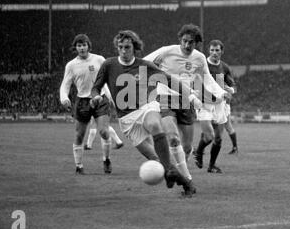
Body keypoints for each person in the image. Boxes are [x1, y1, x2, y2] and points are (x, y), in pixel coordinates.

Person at [90, 30, 202, 197]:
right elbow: (95, 88)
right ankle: (183, 181)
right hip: (127, 120)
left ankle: (181, 178)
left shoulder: (144, 65)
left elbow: (169, 79)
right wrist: (95, 97)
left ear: (134, 47)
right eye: (120, 47)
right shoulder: (109, 65)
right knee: (159, 161)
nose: (123, 51)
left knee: (155, 124)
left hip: (146, 108)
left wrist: (191, 96)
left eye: (127, 47)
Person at [143, 24, 228, 181]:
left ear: (196, 43)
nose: (187, 45)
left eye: (191, 42)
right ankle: (185, 178)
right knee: (173, 138)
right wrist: (154, 70)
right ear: (180, 40)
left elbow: (208, 79)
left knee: (187, 147)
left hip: (186, 100)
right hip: (165, 98)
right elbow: (143, 62)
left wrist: (221, 92)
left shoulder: (199, 57)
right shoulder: (166, 51)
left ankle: (179, 168)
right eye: (184, 41)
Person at [59, 34, 113, 175]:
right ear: (75, 47)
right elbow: (65, 85)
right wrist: (64, 98)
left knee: (104, 131)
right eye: (79, 45)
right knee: (79, 136)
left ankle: (106, 159)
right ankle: (79, 166)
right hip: (82, 101)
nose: (82, 48)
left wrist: (110, 95)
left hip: (100, 98)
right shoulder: (71, 65)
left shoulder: (99, 59)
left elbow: (108, 79)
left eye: (84, 45)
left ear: (88, 46)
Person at [193, 40, 236, 173]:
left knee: (218, 138)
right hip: (204, 103)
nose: (214, 53)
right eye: (212, 50)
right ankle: (198, 152)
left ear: (222, 51)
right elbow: (193, 80)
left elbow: (232, 86)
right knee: (209, 136)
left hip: (220, 104)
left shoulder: (225, 67)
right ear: (208, 51)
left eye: (217, 50)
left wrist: (230, 91)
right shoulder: (202, 64)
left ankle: (211, 166)